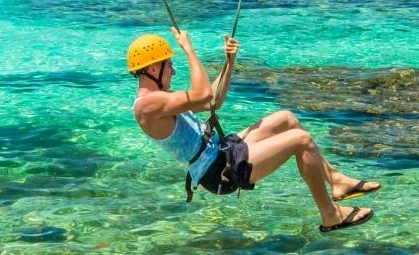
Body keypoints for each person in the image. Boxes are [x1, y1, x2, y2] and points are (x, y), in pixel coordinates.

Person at [128, 29, 379, 232]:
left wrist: (229, 62)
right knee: (301, 140)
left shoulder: (161, 98)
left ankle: (336, 181)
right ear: (153, 69)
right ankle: (330, 215)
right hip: (219, 172)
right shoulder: (147, 106)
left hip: (223, 151)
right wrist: (188, 49)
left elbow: (212, 100)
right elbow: (201, 94)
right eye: (169, 65)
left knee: (286, 119)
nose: (173, 71)